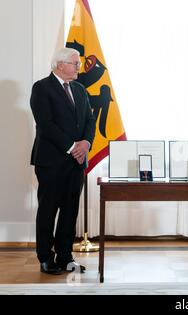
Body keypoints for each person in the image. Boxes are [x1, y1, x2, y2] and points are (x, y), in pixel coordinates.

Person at [30, 47, 95, 274]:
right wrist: (72, 147)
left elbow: (89, 120)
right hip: (51, 161)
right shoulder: (41, 88)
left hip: (76, 162)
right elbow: (46, 124)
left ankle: (65, 256)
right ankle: (46, 258)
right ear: (60, 65)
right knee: (48, 209)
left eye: (78, 63)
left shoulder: (79, 89)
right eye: (75, 63)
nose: (79, 67)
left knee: (70, 210)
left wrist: (85, 144)